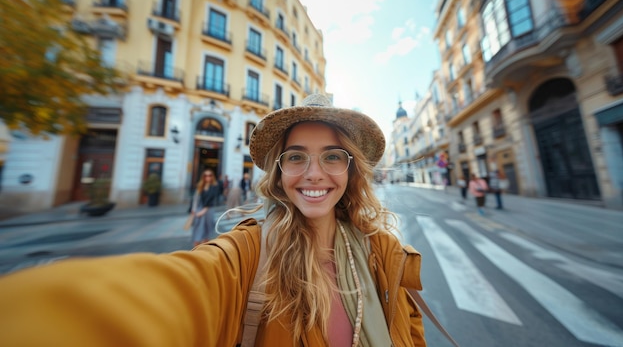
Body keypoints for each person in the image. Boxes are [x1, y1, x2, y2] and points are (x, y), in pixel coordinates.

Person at [0, 94, 426, 346]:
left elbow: (410, 331)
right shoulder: (247, 256)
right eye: (296, 156)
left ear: (352, 169)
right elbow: (175, 291)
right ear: (278, 171)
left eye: (333, 156)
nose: (314, 173)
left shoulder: (383, 252)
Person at [190, 169, 220, 246]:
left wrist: (204, 210)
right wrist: (193, 209)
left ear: (212, 176)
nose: (208, 177)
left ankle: (205, 242)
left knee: (208, 226)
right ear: (203, 177)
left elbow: (212, 199)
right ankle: (196, 241)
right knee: (198, 225)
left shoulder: (214, 186)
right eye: (206, 175)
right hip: (200, 208)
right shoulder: (200, 185)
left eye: (210, 175)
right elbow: (196, 198)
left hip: (209, 209)